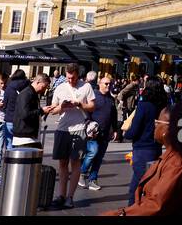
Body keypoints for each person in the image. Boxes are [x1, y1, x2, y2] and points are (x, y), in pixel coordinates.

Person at [107, 102, 182, 216]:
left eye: (157, 122)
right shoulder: (177, 156)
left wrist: (117, 214)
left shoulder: (177, 163)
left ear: (167, 130)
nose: (155, 126)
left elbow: (156, 206)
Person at [45, 63, 95, 209]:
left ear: (78, 75)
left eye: (73, 78)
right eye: (68, 78)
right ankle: (61, 194)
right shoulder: (60, 87)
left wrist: (80, 104)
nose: (70, 80)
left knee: (76, 163)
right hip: (62, 129)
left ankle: (70, 197)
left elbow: (92, 106)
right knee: (62, 163)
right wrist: (62, 107)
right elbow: (52, 110)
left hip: (79, 129)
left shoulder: (86, 87)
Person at [124, 78, 167, 205]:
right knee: (151, 183)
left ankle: (132, 210)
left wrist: (127, 134)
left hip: (142, 149)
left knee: (136, 185)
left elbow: (135, 128)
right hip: (156, 148)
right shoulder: (163, 105)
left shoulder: (144, 105)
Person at [81, 73, 118, 191]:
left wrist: (115, 129)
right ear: (99, 84)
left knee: (99, 157)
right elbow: (86, 112)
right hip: (94, 132)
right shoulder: (94, 96)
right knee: (93, 152)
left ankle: (93, 180)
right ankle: (82, 173)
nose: (108, 86)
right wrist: (88, 125)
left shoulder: (111, 99)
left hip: (105, 133)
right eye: (106, 84)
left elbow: (114, 116)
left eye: (110, 84)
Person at [12, 73, 50, 147]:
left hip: (31, 137)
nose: (44, 90)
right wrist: (41, 111)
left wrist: (42, 111)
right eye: (43, 87)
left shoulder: (33, 94)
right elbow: (25, 114)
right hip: (24, 139)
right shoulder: (26, 94)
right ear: (38, 82)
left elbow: (31, 113)